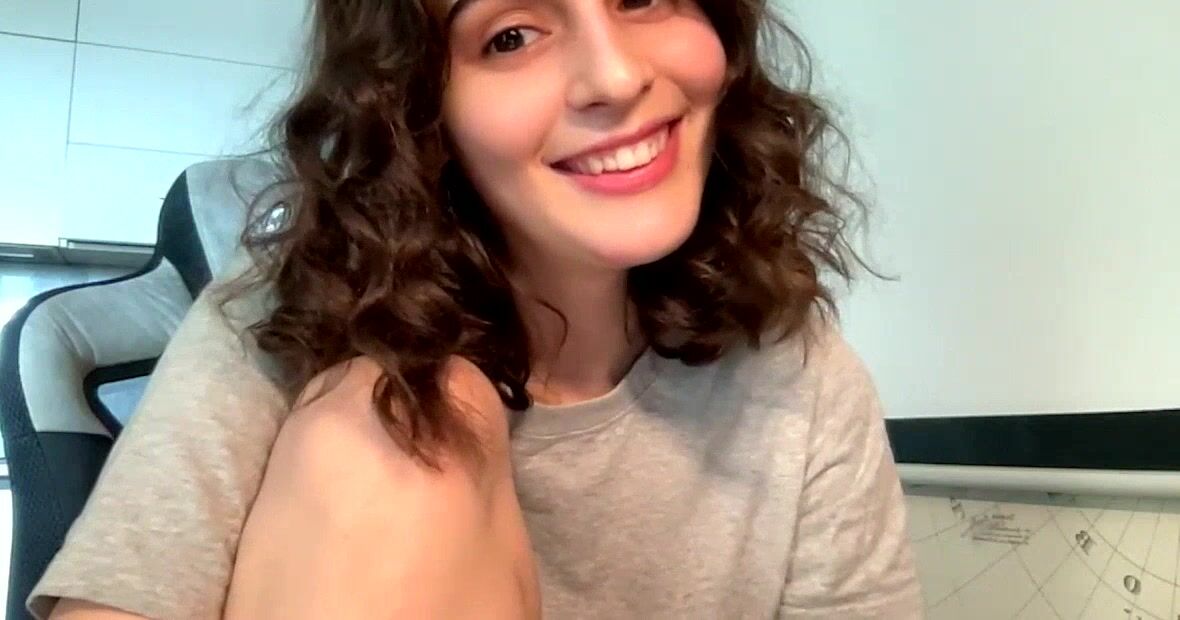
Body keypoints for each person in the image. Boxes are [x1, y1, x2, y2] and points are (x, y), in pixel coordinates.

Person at [33, 0, 922, 618]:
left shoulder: (799, 374)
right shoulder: (284, 311)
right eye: (511, 36)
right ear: (418, 107)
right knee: (406, 413)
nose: (616, 77)